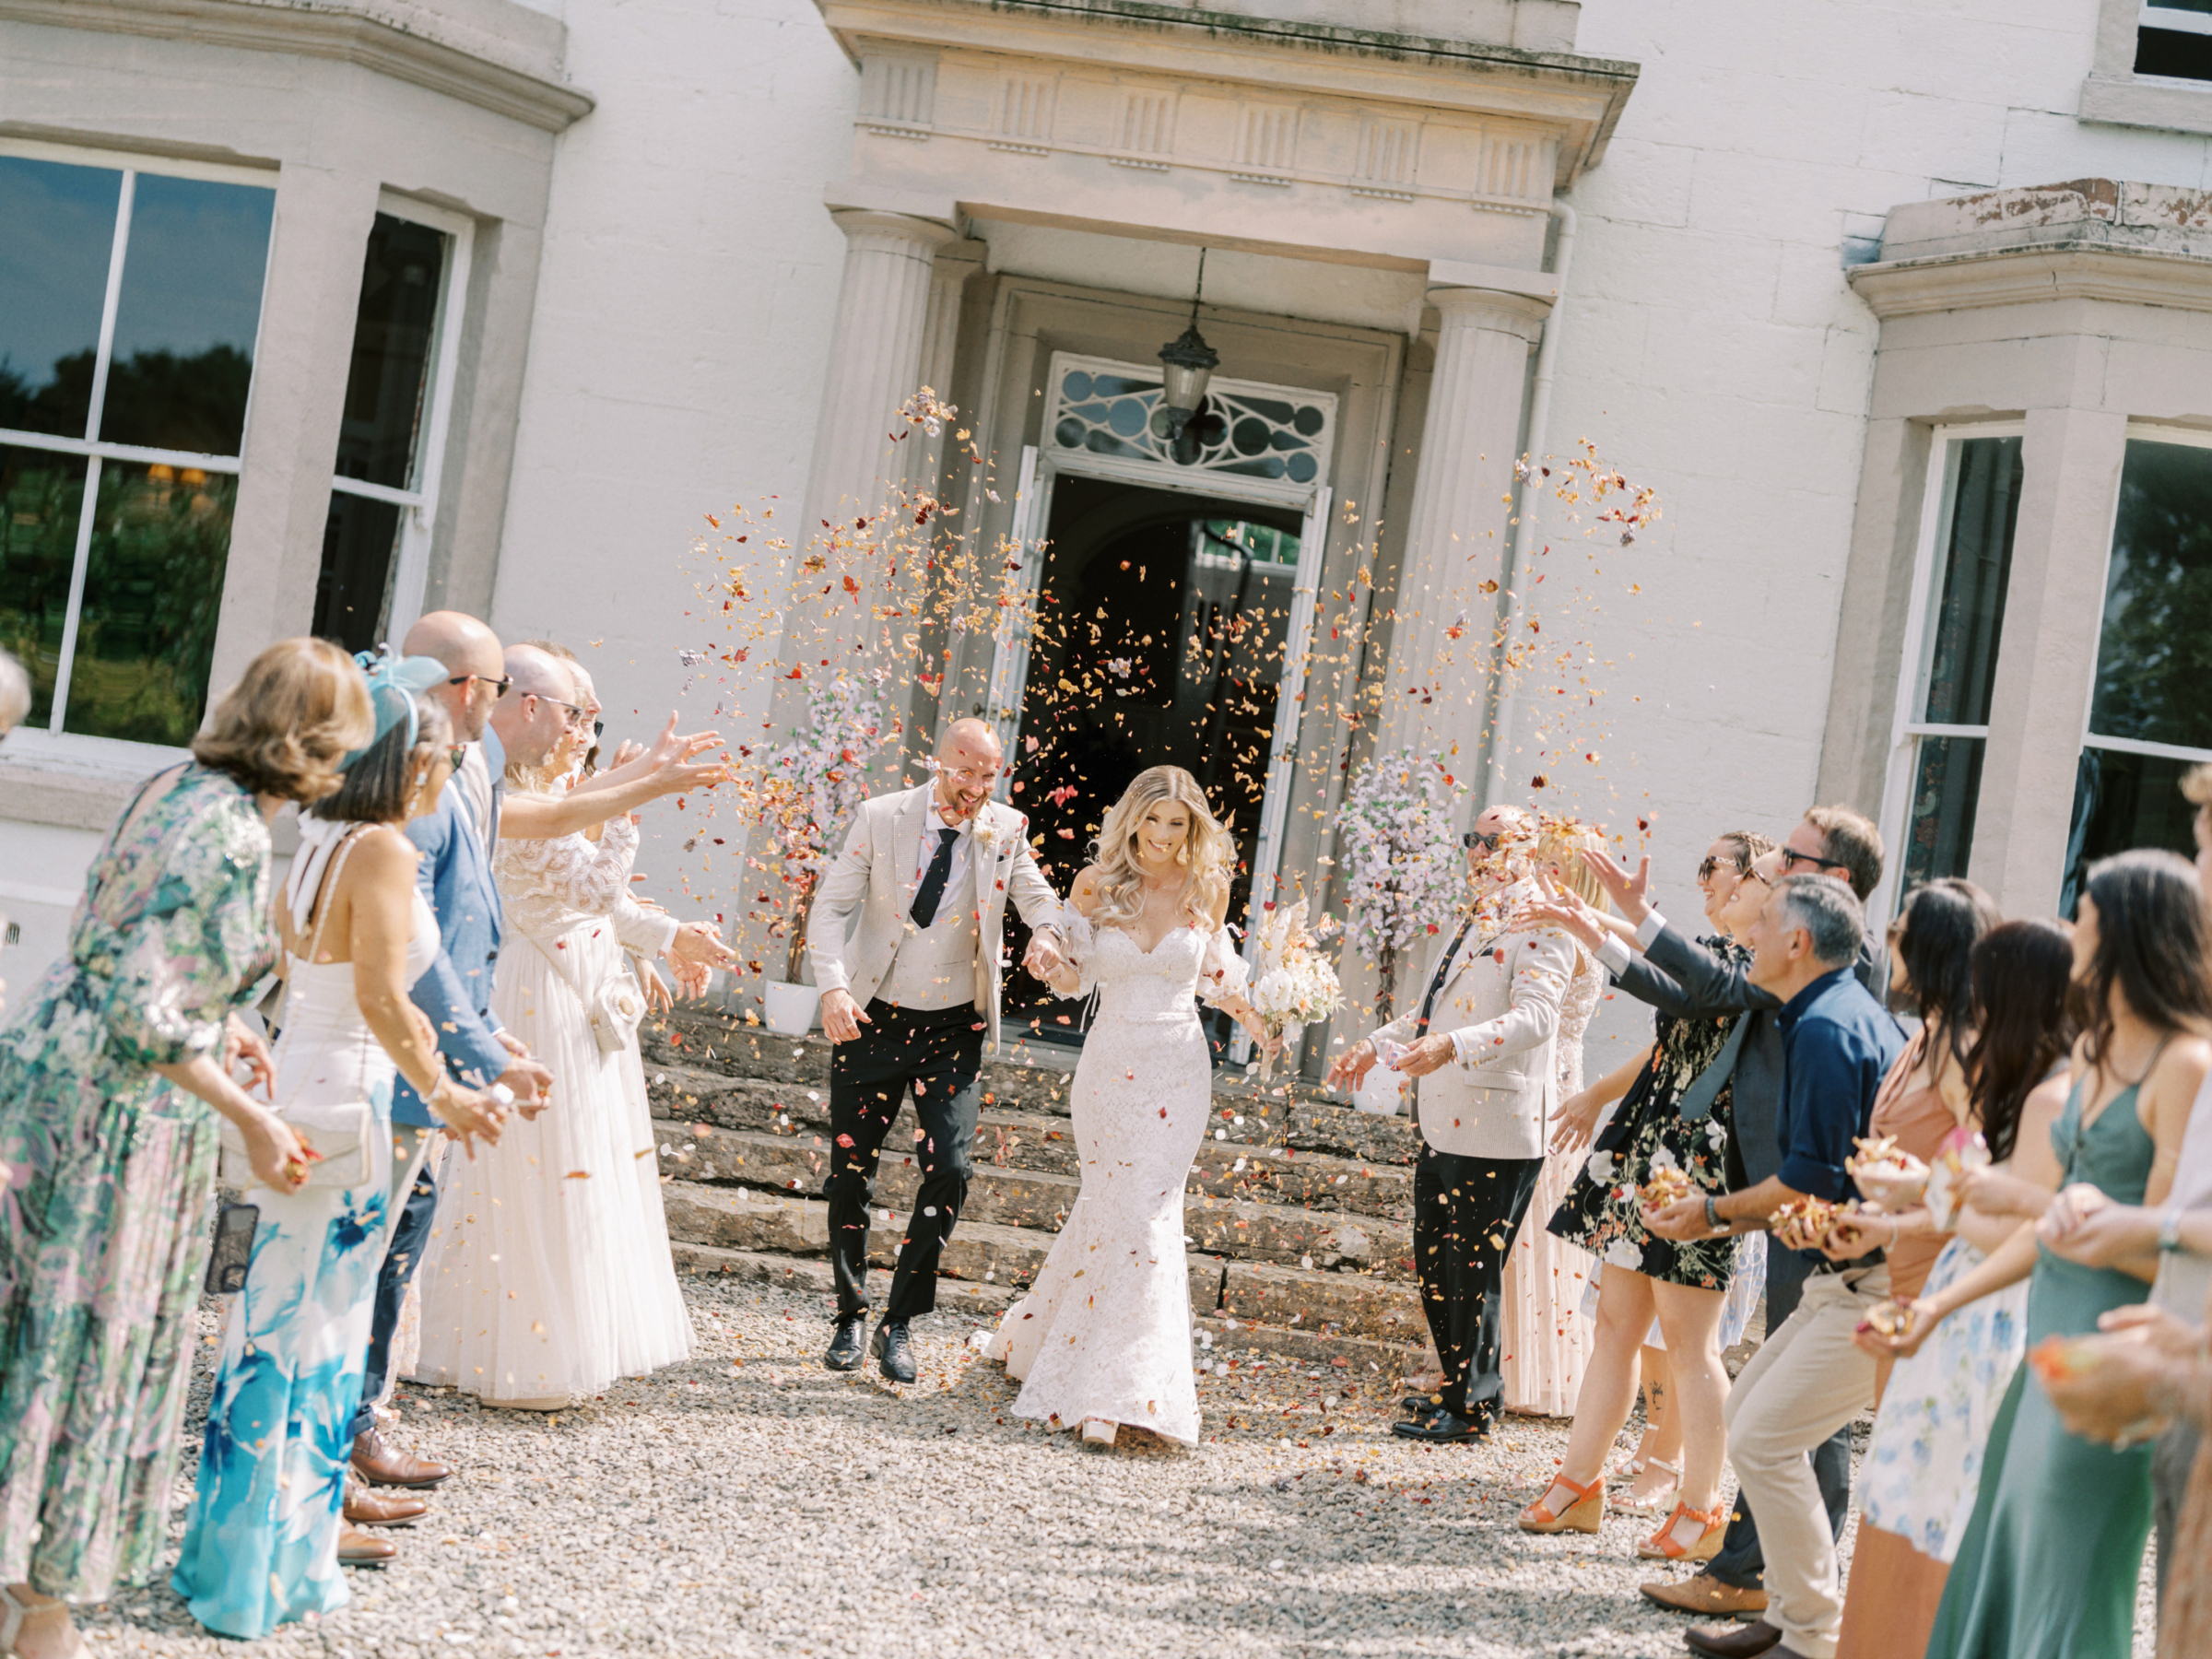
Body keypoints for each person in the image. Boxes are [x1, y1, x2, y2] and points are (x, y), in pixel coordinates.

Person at [0, 640, 362, 1658]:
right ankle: (40, 1607)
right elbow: (145, 1014)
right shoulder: (233, 834)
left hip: (54, 1077)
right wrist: (256, 1117)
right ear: (318, 743)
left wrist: (233, 1016)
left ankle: (34, 1602)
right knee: (81, 1347)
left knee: (39, 1339)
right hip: (108, 1119)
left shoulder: (175, 785)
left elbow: (148, 953)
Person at [171, 664, 510, 1634]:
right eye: (442, 752)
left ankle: (238, 1553)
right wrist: (449, 1092)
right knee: (321, 1331)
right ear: (411, 761)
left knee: (267, 1326)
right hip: (353, 1098)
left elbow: (294, 965)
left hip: (295, 1075)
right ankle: (273, 1570)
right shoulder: (387, 853)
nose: (449, 768)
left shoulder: (315, 837)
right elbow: (384, 997)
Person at [1578, 808, 1888, 1632]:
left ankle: (1779, 1597)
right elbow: (1708, 991)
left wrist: (1716, 1214)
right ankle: (1772, 1589)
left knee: (1793, 1420)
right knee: (1776, 1415)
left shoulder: (1832, 986)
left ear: (1838, 883)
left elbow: (1818, 1169)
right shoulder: (1805, 965)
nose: (1779, 864)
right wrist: (1623, 922)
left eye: (1795, 856)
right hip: (1792, 1210)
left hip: (1822, 1225)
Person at [1916, 849, 2211, 1656]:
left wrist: (2028, 1200)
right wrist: (1939, 1304)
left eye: (2086, 917)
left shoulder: (2185, 1064)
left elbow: (2163, 1249)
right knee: (2000, 1561)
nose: (2072, 929)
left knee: (2071, 1583)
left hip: (2110, 1344)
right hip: (2041, 1342)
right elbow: (2050, 1230)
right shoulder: (2093, 1052)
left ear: (2127, 937)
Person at [411, 645, 700, 1407]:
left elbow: (602, 897)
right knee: (530, 1167)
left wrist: (667, 937)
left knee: (573, 1165)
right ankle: (512, 1347)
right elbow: (593, 882)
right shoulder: (495, 787)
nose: (586, 727)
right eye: (579, 713)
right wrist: (632, 815)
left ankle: (541, 1335)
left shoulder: (550, 787)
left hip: (577, 987)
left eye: (591, 717)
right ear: (532, 708)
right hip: (532, 988)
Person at [1638, 875, 1904, 1659]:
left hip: (1877, 1284)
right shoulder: (1831, 1014)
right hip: (1841, 1278)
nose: (1750, 935)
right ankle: (1791, 1616)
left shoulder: (1825, 1030)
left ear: (1798, 943)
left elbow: (1811, 1183)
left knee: (1763, 1438)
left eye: (1765, 925)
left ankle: (1812, 1632)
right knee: (1750, 1414)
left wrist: (1710, 1211)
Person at [984, 766, 1277, 1446]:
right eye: (1153, 822)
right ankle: (1052, 1343)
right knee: (1112, 1205)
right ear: (1133, 820)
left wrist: (1265, 1022)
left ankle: (1119, 1395)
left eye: (1178, 826)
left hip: (1177, 1070)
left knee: (1149, 1215)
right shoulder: (1096, 885)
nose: (1164, 838)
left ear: (1193, 830)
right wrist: (1048, 960)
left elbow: (1217, 982)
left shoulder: (1208, 887)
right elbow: (1072, 975)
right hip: (1109, 1067)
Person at [1520, 832, 1776, 1562]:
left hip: (1700, 1165)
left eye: (1719, 868)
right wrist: (1586, 923)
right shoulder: (1712, 953)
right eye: (1706, 869)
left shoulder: (1763, 966)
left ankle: (1701, 1505)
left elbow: (1670, 979)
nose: (1711, 883)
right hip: (1648, 1147)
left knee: (1692, 1346)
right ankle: (1580, 1482)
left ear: (1765, 881)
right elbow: (1667, 991)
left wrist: (1596, 925)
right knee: (1615, 1325)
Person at [346, 613, 552, 1495]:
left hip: (404, 1058)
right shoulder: (398, 828)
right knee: (360, 1271)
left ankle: (343, 1447)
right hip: (386, 1075)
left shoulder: (384, 816)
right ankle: (344, 1442)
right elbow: (404, 964)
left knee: (378, 1258)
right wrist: (479, 1062)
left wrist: (485, 1037)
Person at [1834, 917, 2073, 1659]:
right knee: (1909, 1500)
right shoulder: (2022, 1087)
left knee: (1938, 1510)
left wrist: (1919, 1196)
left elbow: (2020, 1235)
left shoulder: (2049, 1102)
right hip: (1960, 1297)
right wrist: (1896, 1215)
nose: (1973, 1007)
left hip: (1988, 1317)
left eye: (1983, 990)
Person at [806, 717, 1066, 1384]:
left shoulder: (1005, 829)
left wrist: (1047, 936)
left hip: (953, 1029)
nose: (977, 787)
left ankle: (900, 1322)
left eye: (989, 775)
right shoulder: (880, 817)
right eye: (966, 771)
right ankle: (850, 1313)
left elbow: (1038, 896)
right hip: (871, 1018)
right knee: (850, 1173)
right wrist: (833, 989)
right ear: (937, 758)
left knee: (950, 1169)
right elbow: (831, 908)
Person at [1327, 806, 1577, 1444]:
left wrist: (1452, 1047)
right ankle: (1455, 1385)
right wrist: (1374, 1044)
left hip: (1498, 1124)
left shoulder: (1545, 922)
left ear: (1528, 846)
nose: (1477, 850)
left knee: (1472, 1271)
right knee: (1435, 1264)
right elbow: (1431, 1008)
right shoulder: (1476, 914)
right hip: (1444, 1120)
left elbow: (1537, 1018)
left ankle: (1473, 1410)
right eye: (1472, 838)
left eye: (1492, 840)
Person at [2028, 758, 2212, 1618]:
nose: (2198, 880)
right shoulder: (2112, 1049)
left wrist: (2154, 1232)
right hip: (2156, 1352)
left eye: (2208, 852)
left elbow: (2175, 1218)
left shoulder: (2185, 1059)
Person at [1500, 819, 1608, 1419]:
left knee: (1527, 1239)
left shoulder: (1554, 934)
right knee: (1547, 1245)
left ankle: (1520, 1375)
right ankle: (1541, 1372)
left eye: (1542, 859)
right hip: (1571, 1090)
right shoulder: (1592, 938)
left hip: (1545, 1096)